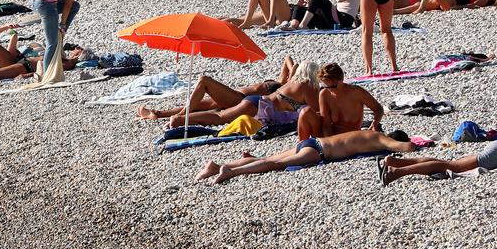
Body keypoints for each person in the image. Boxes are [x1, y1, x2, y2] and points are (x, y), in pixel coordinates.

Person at [197, 127, 419, 184]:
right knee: (273, 164)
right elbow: (405, 148)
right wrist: (417, 145)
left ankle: (216, 166)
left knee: (264, 157)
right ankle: (231, 171)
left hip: (312, 141)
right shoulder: (380, 138)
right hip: (318, 151)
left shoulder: (367, 132)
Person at [137, 57, 309, 122]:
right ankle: (158, 113)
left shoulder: (285, 88)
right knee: (199, 104)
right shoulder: (281, 81)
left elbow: (291, 70)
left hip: (239, 99)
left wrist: (296, 73)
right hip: (237, 96)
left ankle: (181, 115)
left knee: (205, 81)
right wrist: (295, 68)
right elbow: (288, 58)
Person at [168, 60, 319, 130]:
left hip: (256, 101)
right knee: (219, 118)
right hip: (258, 106)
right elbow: (318, 111)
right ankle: (179, 119)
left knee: (219, 116)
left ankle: (180, 118)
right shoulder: (307, 86)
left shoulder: (292, 82)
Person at [31, 0, 94, 82]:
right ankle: (47, 75)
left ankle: (60, 32)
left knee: (76, 6)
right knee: (52, 44)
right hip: (46, 4)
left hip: (35, 1)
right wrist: (63, 24)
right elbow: (67, 5)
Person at [300, 63, 383, 140]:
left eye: (333, 87)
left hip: (351, 137)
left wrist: (374, 124)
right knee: (305, 112)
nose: (330, 90)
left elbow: (378, 109)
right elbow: (326, 124)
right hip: (331, 137)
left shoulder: (356, 92)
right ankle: (301, 145)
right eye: (326, 86)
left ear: (341, 80)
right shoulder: (325, 94)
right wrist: (329, 142)